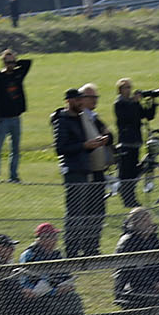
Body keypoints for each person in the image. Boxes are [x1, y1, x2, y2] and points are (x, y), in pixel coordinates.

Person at [52, 86, 114, 257]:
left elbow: (108, 135)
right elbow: (60, 148)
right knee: (76, 213)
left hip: (90, 170)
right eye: (78, 99)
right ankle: (72, 251)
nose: (81, 102)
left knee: (96, 212)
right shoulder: (62, 120)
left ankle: (91, 248)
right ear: (69, 101)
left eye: (82, 99)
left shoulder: (85, 118)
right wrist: (84, 146)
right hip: (76, 171)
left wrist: (102, 140)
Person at [17, 222, 85, 315]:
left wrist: (68, 286)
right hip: (35, 297)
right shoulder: (30, 255)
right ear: (42, 239)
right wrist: (54, 291)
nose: (55, 240)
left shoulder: (57, 254)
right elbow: (25, 282)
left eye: (55, 237)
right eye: (52, 237)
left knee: (74, 299)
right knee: (45, 307)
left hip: (57, 295)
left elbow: (65, 276)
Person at [113, 207, 159, 315]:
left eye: (149, 219)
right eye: (145, 220)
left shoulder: (153, 239)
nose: (149, 223)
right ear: (135, 223)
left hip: (154, 284)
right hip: (131, 287)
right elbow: (131, 272)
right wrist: (153, 284)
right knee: (152, 297)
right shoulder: (128, 242)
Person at [0, 49, 33, 184]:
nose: (10, 65)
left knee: (15, 149)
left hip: (16, 117)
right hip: (1, 118)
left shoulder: (18, 74)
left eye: (12, 62)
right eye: (7, 62)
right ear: (3, 62)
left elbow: (28, 63)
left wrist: (16, 62)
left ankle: (13, 176)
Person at [111, 78, 159, 208]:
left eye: (130, 87)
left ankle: (131, 198)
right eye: (126, 87)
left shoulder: (133, 103)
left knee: (133, 173)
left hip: (136, 142)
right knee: (126, 174)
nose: (129, 90)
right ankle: (128, 200)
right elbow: (127, 118)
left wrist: (153, 101)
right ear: (120, 90)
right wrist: (135, 102)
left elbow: (147, 116)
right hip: (125, 143)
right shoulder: (119, 103)